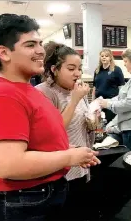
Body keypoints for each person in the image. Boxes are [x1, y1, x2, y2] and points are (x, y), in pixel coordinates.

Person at [0, 14, 99, 221]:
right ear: (4, 53)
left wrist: (65, 149)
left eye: (40, 43)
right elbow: (8, 164)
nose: (41, 50)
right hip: (19, 201)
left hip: (35, 197)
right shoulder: (2, 95)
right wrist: (68, 157)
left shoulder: (25, 90)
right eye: (30, 44)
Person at [35, 41, 101, 221]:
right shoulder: (44, 93)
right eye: (71, 68)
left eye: (79, 68)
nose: (78, 74)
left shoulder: (77, 90)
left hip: (81, 165)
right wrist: (74, 100)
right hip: (59, 171)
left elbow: (84, 120)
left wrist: (93, 118)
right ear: (55, 69)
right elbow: (52, 132)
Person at [92, 48, 125, 123]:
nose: (104, 57)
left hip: (111, 102)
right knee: (98, 124)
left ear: (110, 58)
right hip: (99, 102)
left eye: (106, 56)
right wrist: (93, 102)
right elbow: (94, 87)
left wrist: (121, 103)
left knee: (110, 124)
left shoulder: (116, 70)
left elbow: (122, 88)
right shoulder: (97, 70)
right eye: (102, 56)